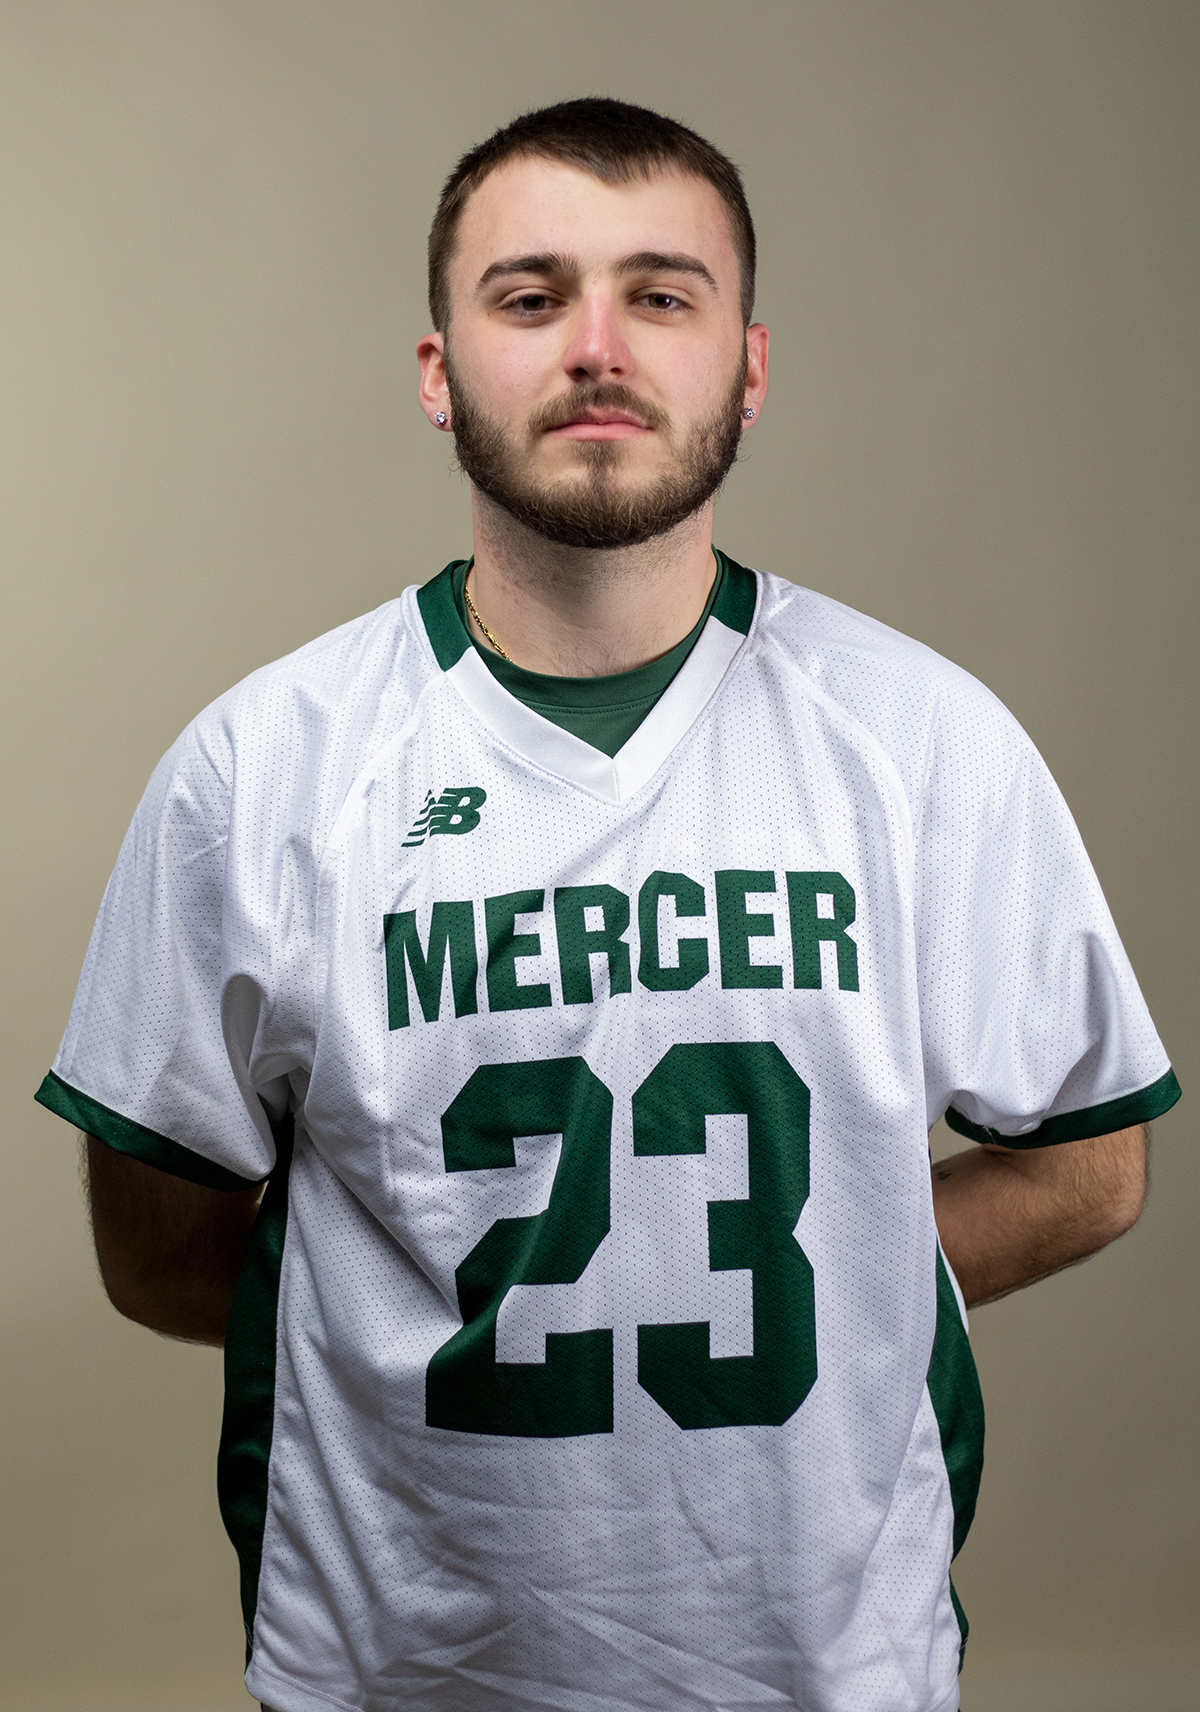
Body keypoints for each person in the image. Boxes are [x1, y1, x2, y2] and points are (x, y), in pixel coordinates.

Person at [37, 98, 1179, 1712]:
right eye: (530, 296)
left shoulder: (925, 740)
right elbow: (156, 1244)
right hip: (400, 1667)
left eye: (659, 294)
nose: (596, 348)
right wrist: (440, 1305)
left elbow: (1088, 1167)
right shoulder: (262, 766)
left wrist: (809, 1263)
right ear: (438, 369)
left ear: (748, 367)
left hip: (826, 1666)